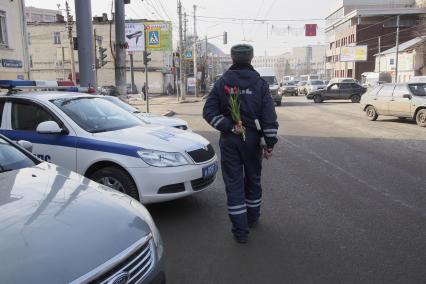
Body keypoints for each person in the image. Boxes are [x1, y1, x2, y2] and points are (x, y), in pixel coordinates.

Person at [203, 44, 279, 243]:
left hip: (230, 141)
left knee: (234, 184)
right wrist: (269, 144)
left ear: (232, 58)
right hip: (253, 141)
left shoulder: (222, 83)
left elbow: (209, 112)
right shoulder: (260, 84)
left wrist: (229, 126)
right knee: (253, 179)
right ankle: (252, 219)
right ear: (251, 58)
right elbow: (269, 117)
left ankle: (241, 231)